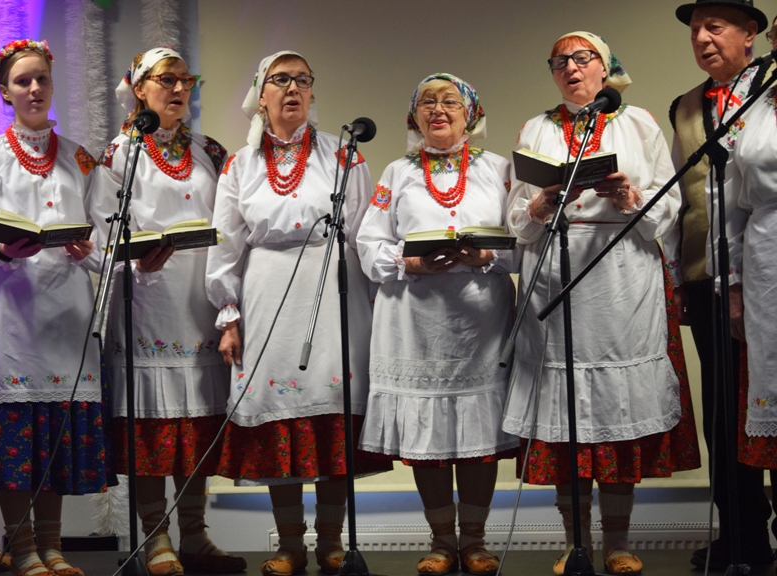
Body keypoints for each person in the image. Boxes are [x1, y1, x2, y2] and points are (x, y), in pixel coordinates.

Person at [502, 32, 700, 576]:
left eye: (582, 58)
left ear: (605, 67)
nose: (570, 68)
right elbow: (515, 219)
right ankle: (576, 545)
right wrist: (539, 205)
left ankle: (617, 541)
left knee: (615, 414)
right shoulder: (536, 128)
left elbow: (670, 203)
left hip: (621, 278)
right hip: (555, 275)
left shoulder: (640, 124)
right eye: (559, 61)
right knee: (566, 417)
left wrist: (631, 197)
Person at [205, 50, 383, 576]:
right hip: (266, 293)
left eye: (302, 80)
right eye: (281, 80)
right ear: (260, 95)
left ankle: (331, 541)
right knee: (277, 415)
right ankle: (289, 544)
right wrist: (229, 316)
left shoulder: (343, 155)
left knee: (333, 413)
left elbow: (365, 232)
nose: (292, 89)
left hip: (333, 293)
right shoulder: (240, 164)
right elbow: (225, 244)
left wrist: (378, 307)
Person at [356, 73, 517, 576]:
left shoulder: (499, 169)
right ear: (414, 115)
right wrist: (411, 263)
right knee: (427, 437)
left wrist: (487, 255)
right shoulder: (396, 172)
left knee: (478, 435)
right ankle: (442, 541)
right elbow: (368, 243)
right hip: (414, 320)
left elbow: (524, 240)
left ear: (471, 114)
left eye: (450, 101)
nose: (438, 109)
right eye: (427, 102)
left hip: (480, 321)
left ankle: (475, 541)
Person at [91, 47, 243, 576]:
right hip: (146, 304)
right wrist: (133, 261)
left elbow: (231, 223)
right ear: (139, 88)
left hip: (200, 304)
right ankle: (156, 538)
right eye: (166, 79)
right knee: (151, 426)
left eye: (186, 79)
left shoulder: (210, 151)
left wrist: (231, 305)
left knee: (196, 424)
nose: (179, 89)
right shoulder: (118, 154)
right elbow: (99, 233)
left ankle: (195, 535)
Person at [0, 39, 108, 576]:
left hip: (67, 313)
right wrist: (4, 251)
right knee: (18, 435)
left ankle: (53, 547)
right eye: (22, 81)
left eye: (42, 79)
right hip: (12, 313)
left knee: (53, 431)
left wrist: (88, 248)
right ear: (4, 91)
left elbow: (105, 234)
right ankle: (23, 547)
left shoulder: (79, 157)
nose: (34, 89)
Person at [666, 0, 775, 569]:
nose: (703, 39)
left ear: (750, 32)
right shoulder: (685, 106)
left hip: (767, 270)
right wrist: (681, 278)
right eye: (695, 30)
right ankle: (740, 535)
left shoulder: (773, 86)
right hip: (708, 278)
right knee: (722, 412)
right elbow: (682, 196)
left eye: (715, 27)